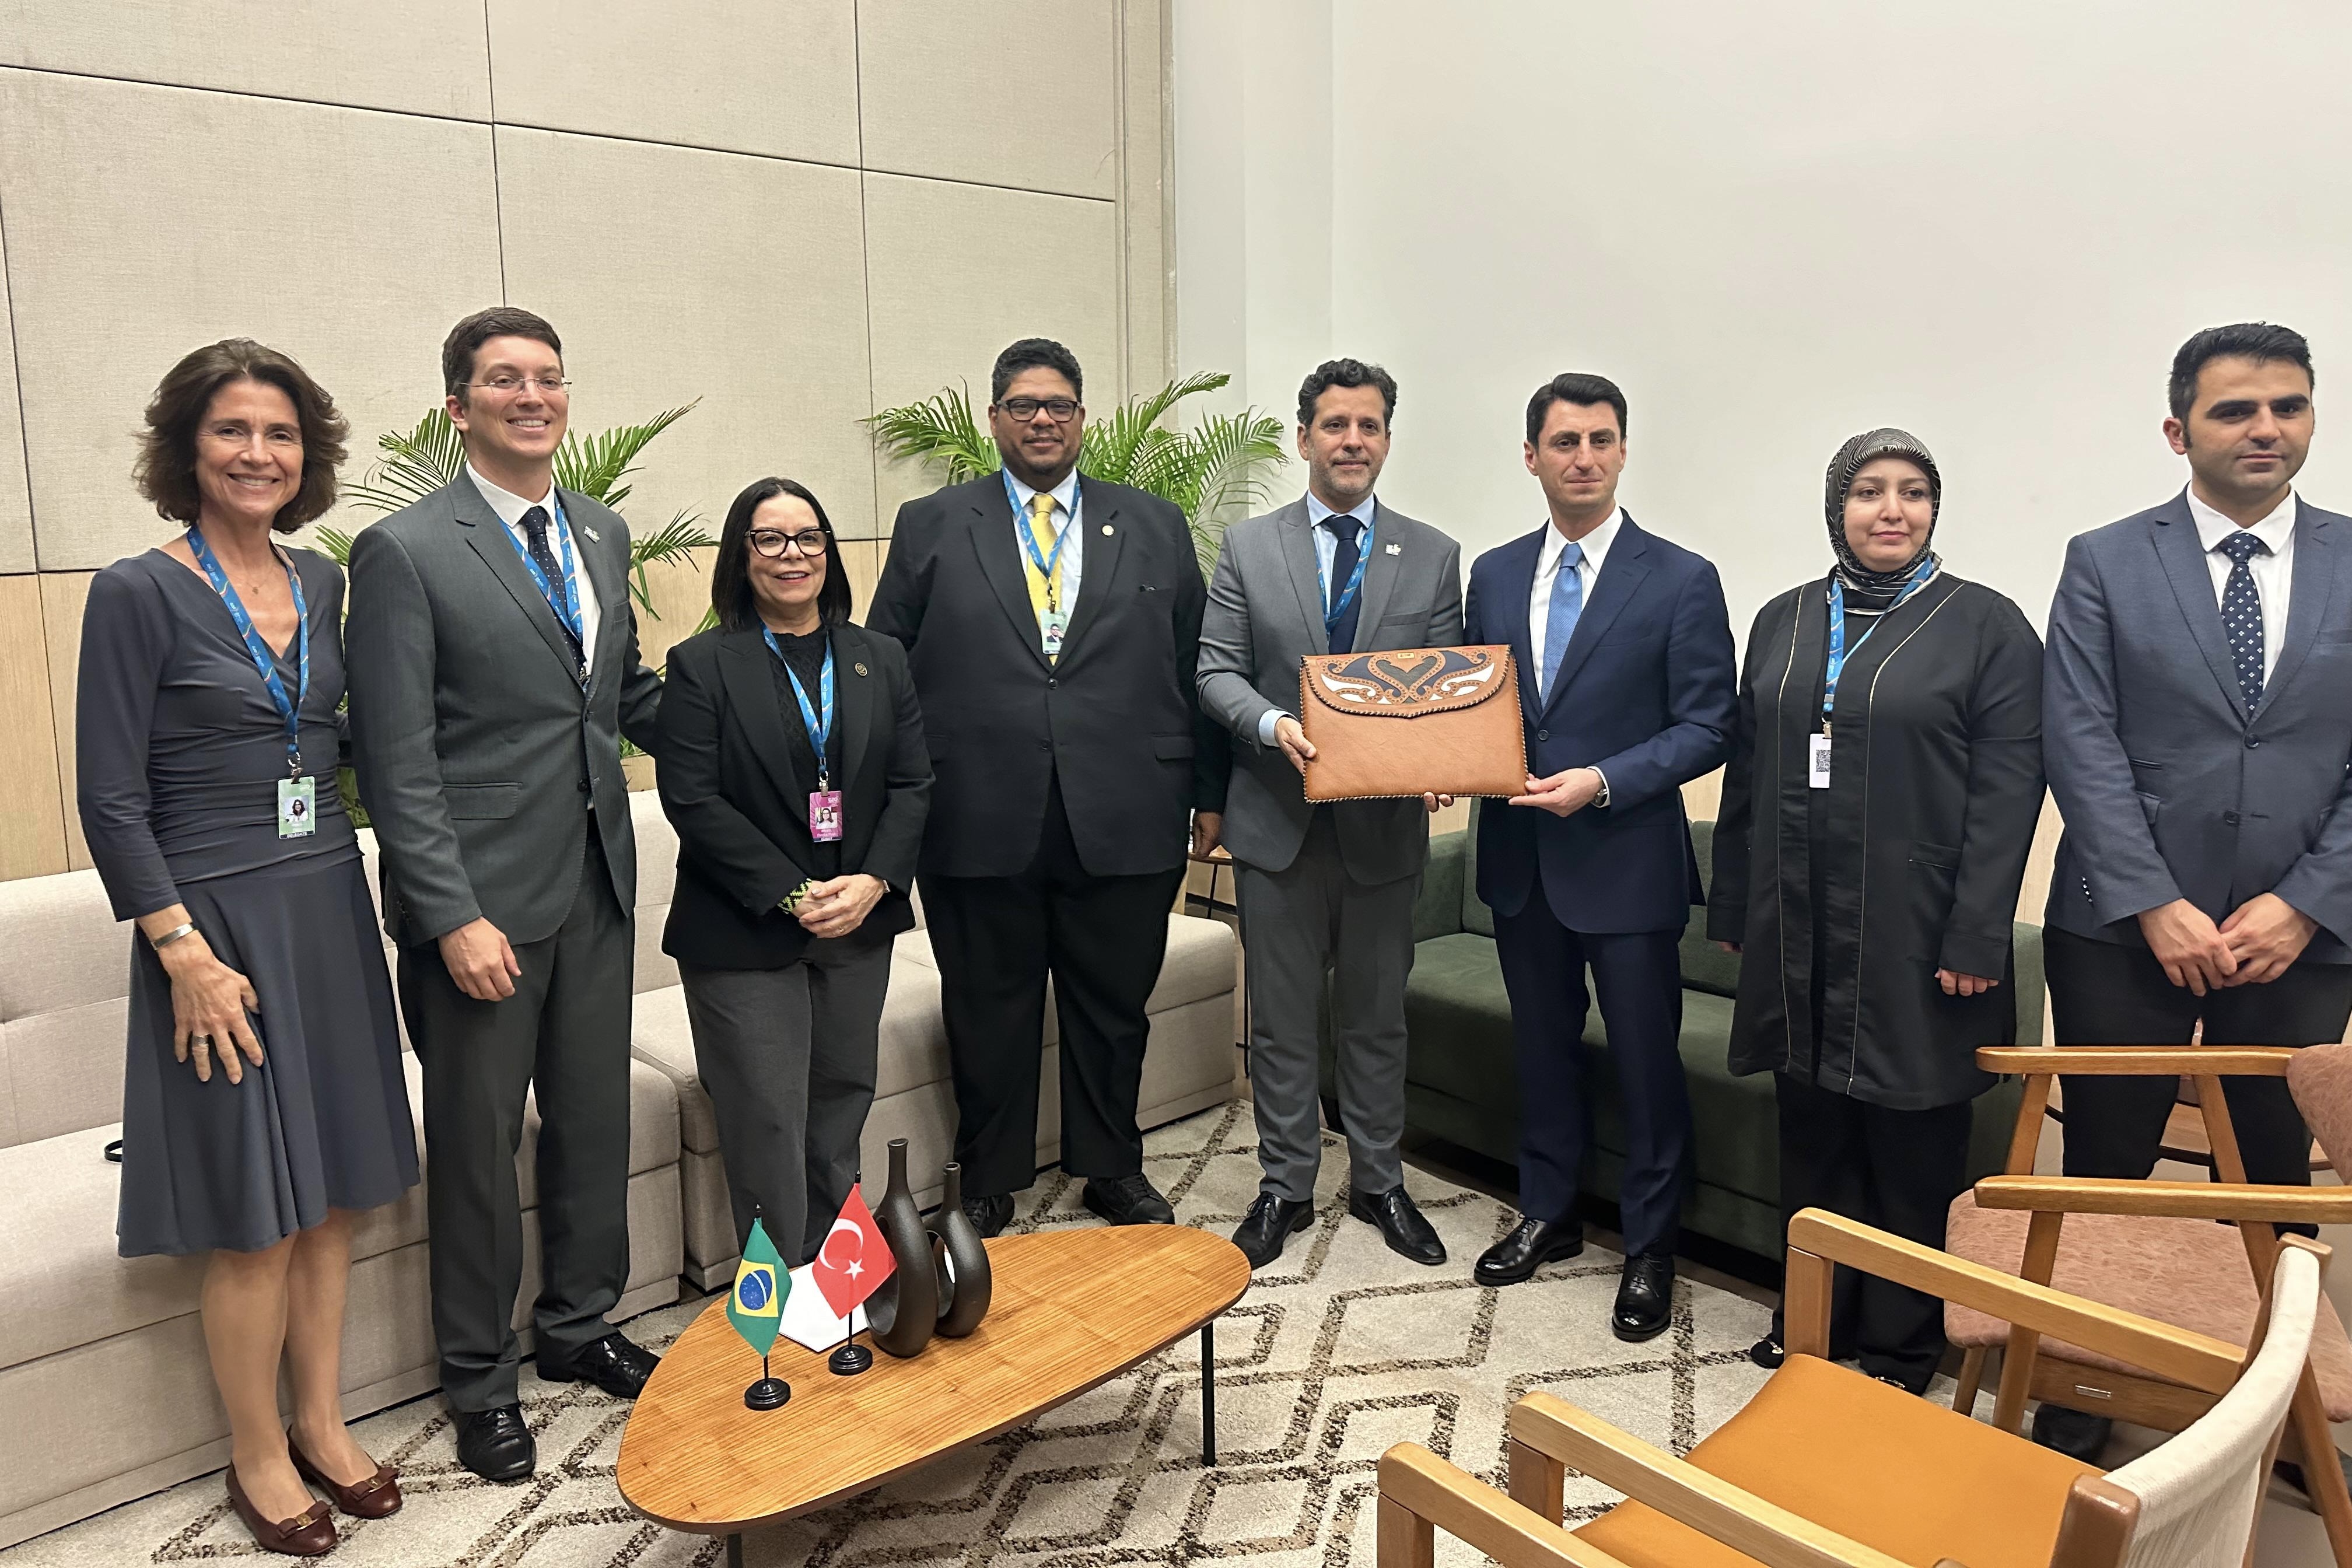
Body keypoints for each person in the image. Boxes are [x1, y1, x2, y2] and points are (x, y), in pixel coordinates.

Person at [79, 341, 416, 1555]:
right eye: (232, 430)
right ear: (188, 448)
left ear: (306, 455)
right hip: (212, 929)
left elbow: (340, 742)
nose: (258, 454)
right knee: (256, 1216)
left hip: (325, 902)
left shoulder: (322, 581)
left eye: (280, 433)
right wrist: (180, 951)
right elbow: (110, 798)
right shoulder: (135, 592)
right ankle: (257, 1452)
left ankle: (321, 1422)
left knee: (333, 1202)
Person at [344, 307, 664, 1484]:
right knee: (478, 1151)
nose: (533, 397)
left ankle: (578, 1324)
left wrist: (769, 711)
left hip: (596, 881)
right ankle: (480, 1379)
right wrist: (449, 915)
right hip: (479, 908)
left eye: (549, 378)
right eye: (503, 380)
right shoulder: (405, 551)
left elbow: (618, 694)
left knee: (593, 1122)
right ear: (458, 407)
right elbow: (396, 760)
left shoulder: (602, 531)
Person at [2034, 321, 2352, 1460]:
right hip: (2122, 933)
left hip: (2300, 939)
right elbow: (2081, 740)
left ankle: (2264, 1408)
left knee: (2269, 1175)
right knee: (2108, 1167)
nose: (2266, 428)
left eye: (2288, 406)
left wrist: (2306, 902)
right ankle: (2082, 1389)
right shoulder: (2106, 559)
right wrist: (2153, 901)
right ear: (2179, 432)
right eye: (2235, 410)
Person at [865, 337, 1229, 1237]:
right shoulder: (931, 524)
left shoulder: (1153, 524)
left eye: (1058, 405)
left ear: (1082, 418)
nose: (1042, 419)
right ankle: (990, 1176)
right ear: (994, 419)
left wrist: (1210, 793)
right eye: (1023, 405)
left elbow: (1197, 664)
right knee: (987, 1007)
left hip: (1128, 807)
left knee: (1114, 1007)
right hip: (975, 811)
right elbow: (885, 672)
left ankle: (1111, 1168)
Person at [1710, 428, 2044, 1392]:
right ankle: (1813, 1320)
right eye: (1868, 491)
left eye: (1912, 492)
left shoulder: (1987, 625)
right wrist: (1733, 905)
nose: (1891, 510)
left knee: (1909, 1143)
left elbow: (2009, 795)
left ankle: (1901, 1347)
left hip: (1918, 932)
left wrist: (1977, 932)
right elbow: (1748, 774)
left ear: (1935, 509)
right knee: (1812, 1131)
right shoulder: (1783, 618)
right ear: (1837, 509)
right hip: (1796, 924)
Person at [1461, 373, 1736, 1340]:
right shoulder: (1494, 574)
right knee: (1541, 1051)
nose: (1584, 458)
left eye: (1601, 440)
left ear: (1623, 453)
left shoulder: (1682, 578)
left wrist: (1604, 780)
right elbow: (1476, 704)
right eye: (1565, 442)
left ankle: (1652, 1246)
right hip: (1520, 860)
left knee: (1646, 1063)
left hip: (1627, 860)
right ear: (1531, 456)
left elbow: (1709, 725)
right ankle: (1549, 1212)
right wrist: (1439, 762)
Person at [1196, 358, 1462, 1269]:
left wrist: (1437, 761)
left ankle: (1381, 1182)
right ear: (1305, 436)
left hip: (1383, 830)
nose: (1354, 441)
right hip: (1276, 823)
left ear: (1386, 439)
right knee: (1280, 1020)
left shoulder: (1433, 555)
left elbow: (1442, 687)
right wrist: (1271, 725)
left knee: (1377, 1018)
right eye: (1337, 425)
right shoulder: (1249, 547)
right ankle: (1285, 1186)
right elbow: (1215, 670)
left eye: (1370, 426)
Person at [654, 477, 932, 1263]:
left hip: (857, 920)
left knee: (842, 1101)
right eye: (769, 538)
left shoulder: (879, 657)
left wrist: (874, 881)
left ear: (828, 551)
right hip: (742, 928)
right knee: (767, 1116)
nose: (792, 555)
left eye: (808, 537)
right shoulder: (702, 665)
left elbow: (913, 783)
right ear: (742, 555)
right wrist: (790, 891)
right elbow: (693, 799)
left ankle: (839, 1276)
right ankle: (777, 1292)